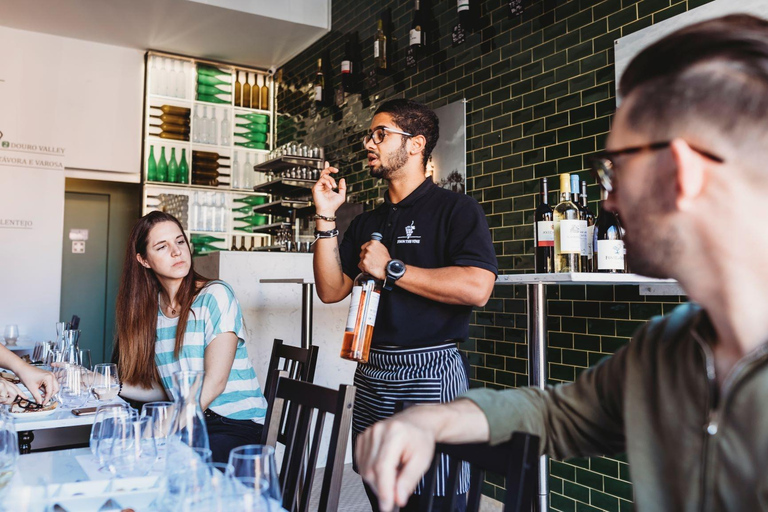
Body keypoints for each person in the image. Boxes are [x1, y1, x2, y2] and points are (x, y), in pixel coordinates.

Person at [355, 14, 768, 512]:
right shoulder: (666, 350)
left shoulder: (454, 210)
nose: (608, 201)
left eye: (615, 168)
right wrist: (429, 420)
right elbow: (554, 414)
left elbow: (477, 285)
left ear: (683, 174)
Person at [312, 98, 498, 510]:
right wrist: (326, 218)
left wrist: (392, 269)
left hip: (430, 372)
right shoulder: (366, 221)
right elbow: (330, 289)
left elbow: (477, 287)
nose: (369, 144)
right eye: (369, 136)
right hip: (373, 371)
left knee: (434, 494)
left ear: (415, 145)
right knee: (380, 490)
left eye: (381, 134)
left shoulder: (457, 209)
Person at [114, 211, 268, 464]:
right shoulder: (151, 312)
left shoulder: (215, 295)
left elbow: (215, 383)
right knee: (124, 450)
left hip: (236, 424)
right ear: (143, 260)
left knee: (164, 462)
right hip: (190, 420)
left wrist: (165, 427)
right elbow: (166, 389)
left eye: (180, 241)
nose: (177, 252)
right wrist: (111, 386)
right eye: (162, 247)